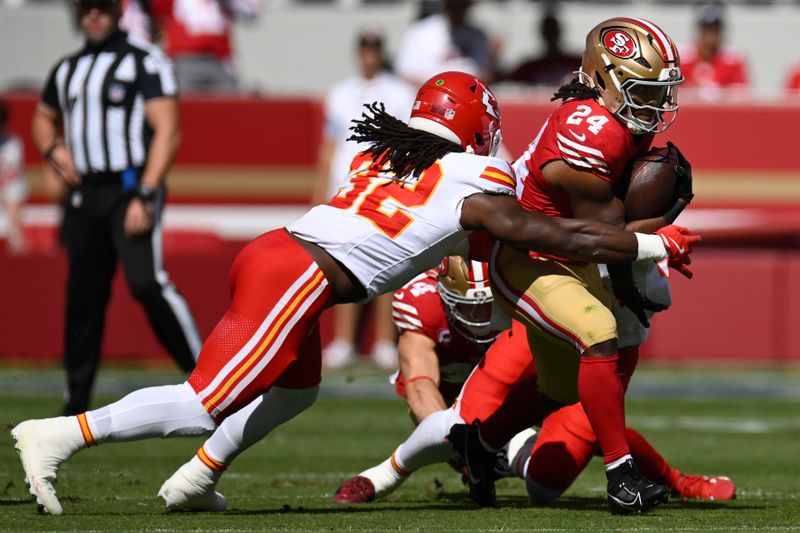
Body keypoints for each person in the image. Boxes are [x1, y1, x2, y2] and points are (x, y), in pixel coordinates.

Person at [12, 70, 697, 515]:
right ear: (476, 126)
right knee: (202, 400)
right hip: (300, 273)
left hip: (284, 256)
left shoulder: (385, 152)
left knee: (296, 390)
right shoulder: (475, 176)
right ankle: (59, 435)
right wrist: (646, 241)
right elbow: (552, 235)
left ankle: (194, 479)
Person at [467, 18, 694, 514]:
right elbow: (604, 236)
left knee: (560, 390)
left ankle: (479, 446)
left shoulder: (619, 123)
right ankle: (622, 477)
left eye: (661, 92)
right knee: (598, 330)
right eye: (643, 91)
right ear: (603, 79)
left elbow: (597, 234)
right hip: (528, 256)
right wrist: (664, 224)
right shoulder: (589, 131)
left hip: (570, 251)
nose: (656, 105)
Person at [332, 264, 735, 505]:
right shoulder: (421, 303)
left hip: (555, 342)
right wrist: (455, 449)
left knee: (547, 482)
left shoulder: (516, 287)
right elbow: (421, 390)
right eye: (468, 304)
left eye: (485, 303)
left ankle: (677, 479)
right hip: (489, 370)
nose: (479, 315)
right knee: (459, 425)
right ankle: (382, 474)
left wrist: (648, 244)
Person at [30, 0, 202, 415]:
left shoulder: (145, 61)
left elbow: (168, 131)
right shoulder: (67, 68)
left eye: (103, 6)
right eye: (86, 7)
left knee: (147, 283)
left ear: (117, 12)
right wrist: (55, 149)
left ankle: (209, 382)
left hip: (131, 186)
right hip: (86, 192)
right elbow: (42, 117)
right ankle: (75, 404)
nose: (94, 14)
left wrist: (145, 192)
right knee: (82, 295)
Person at [311, 29, 415, 369]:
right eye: (365, 50)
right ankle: (343, 341)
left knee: (386, 266)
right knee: (344, 265)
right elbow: (330, 144)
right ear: (359, 53)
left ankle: (384, 341)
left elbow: (405, 144)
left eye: (374, 50)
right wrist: (319, 192)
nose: (369, 56)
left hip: (383, 188)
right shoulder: (340, 93)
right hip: (345, 189)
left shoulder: (399, 92)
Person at [390, 255, 502, 424]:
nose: (480, 316)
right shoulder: (425, 302)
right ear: (445, 296)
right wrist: (448, 436)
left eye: (488, 305)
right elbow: (420, 386)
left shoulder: (520, 296)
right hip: (446, 394)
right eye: (469, 306)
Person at [150, 0, 261, 93]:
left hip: (220, 61)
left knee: (227, 110)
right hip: (185, 60)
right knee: (186, 109)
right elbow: (152, 12)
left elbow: (250, 14)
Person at [395, 0, 496, 86]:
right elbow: (404, 73)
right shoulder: (421, 31)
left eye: (461, 5)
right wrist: (434, 90)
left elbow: (486, 73)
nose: (457, 10)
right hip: (430, 98)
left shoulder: (477, 35)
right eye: (453, 6)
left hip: (468, 99)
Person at [679, 3, 748, 98]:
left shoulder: (733, 60)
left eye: (714, 30)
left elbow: (741, 96)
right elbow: (673, 94)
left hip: (724, 112)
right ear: (699, 31)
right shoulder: (682, 58)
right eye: (706, 30)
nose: (710, 37)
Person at [503, 10, 581, 87]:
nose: (551, 36)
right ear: (543, 34)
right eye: (548, 32)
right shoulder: (528, 68)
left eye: (553, 32)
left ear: (559, 32)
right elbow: (506, 82)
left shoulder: (577, 63)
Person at [0, 101, 29, 255]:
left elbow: (11, 179)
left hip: (9, 196)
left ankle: (17, 245)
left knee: (14, 192)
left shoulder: (12, 143)